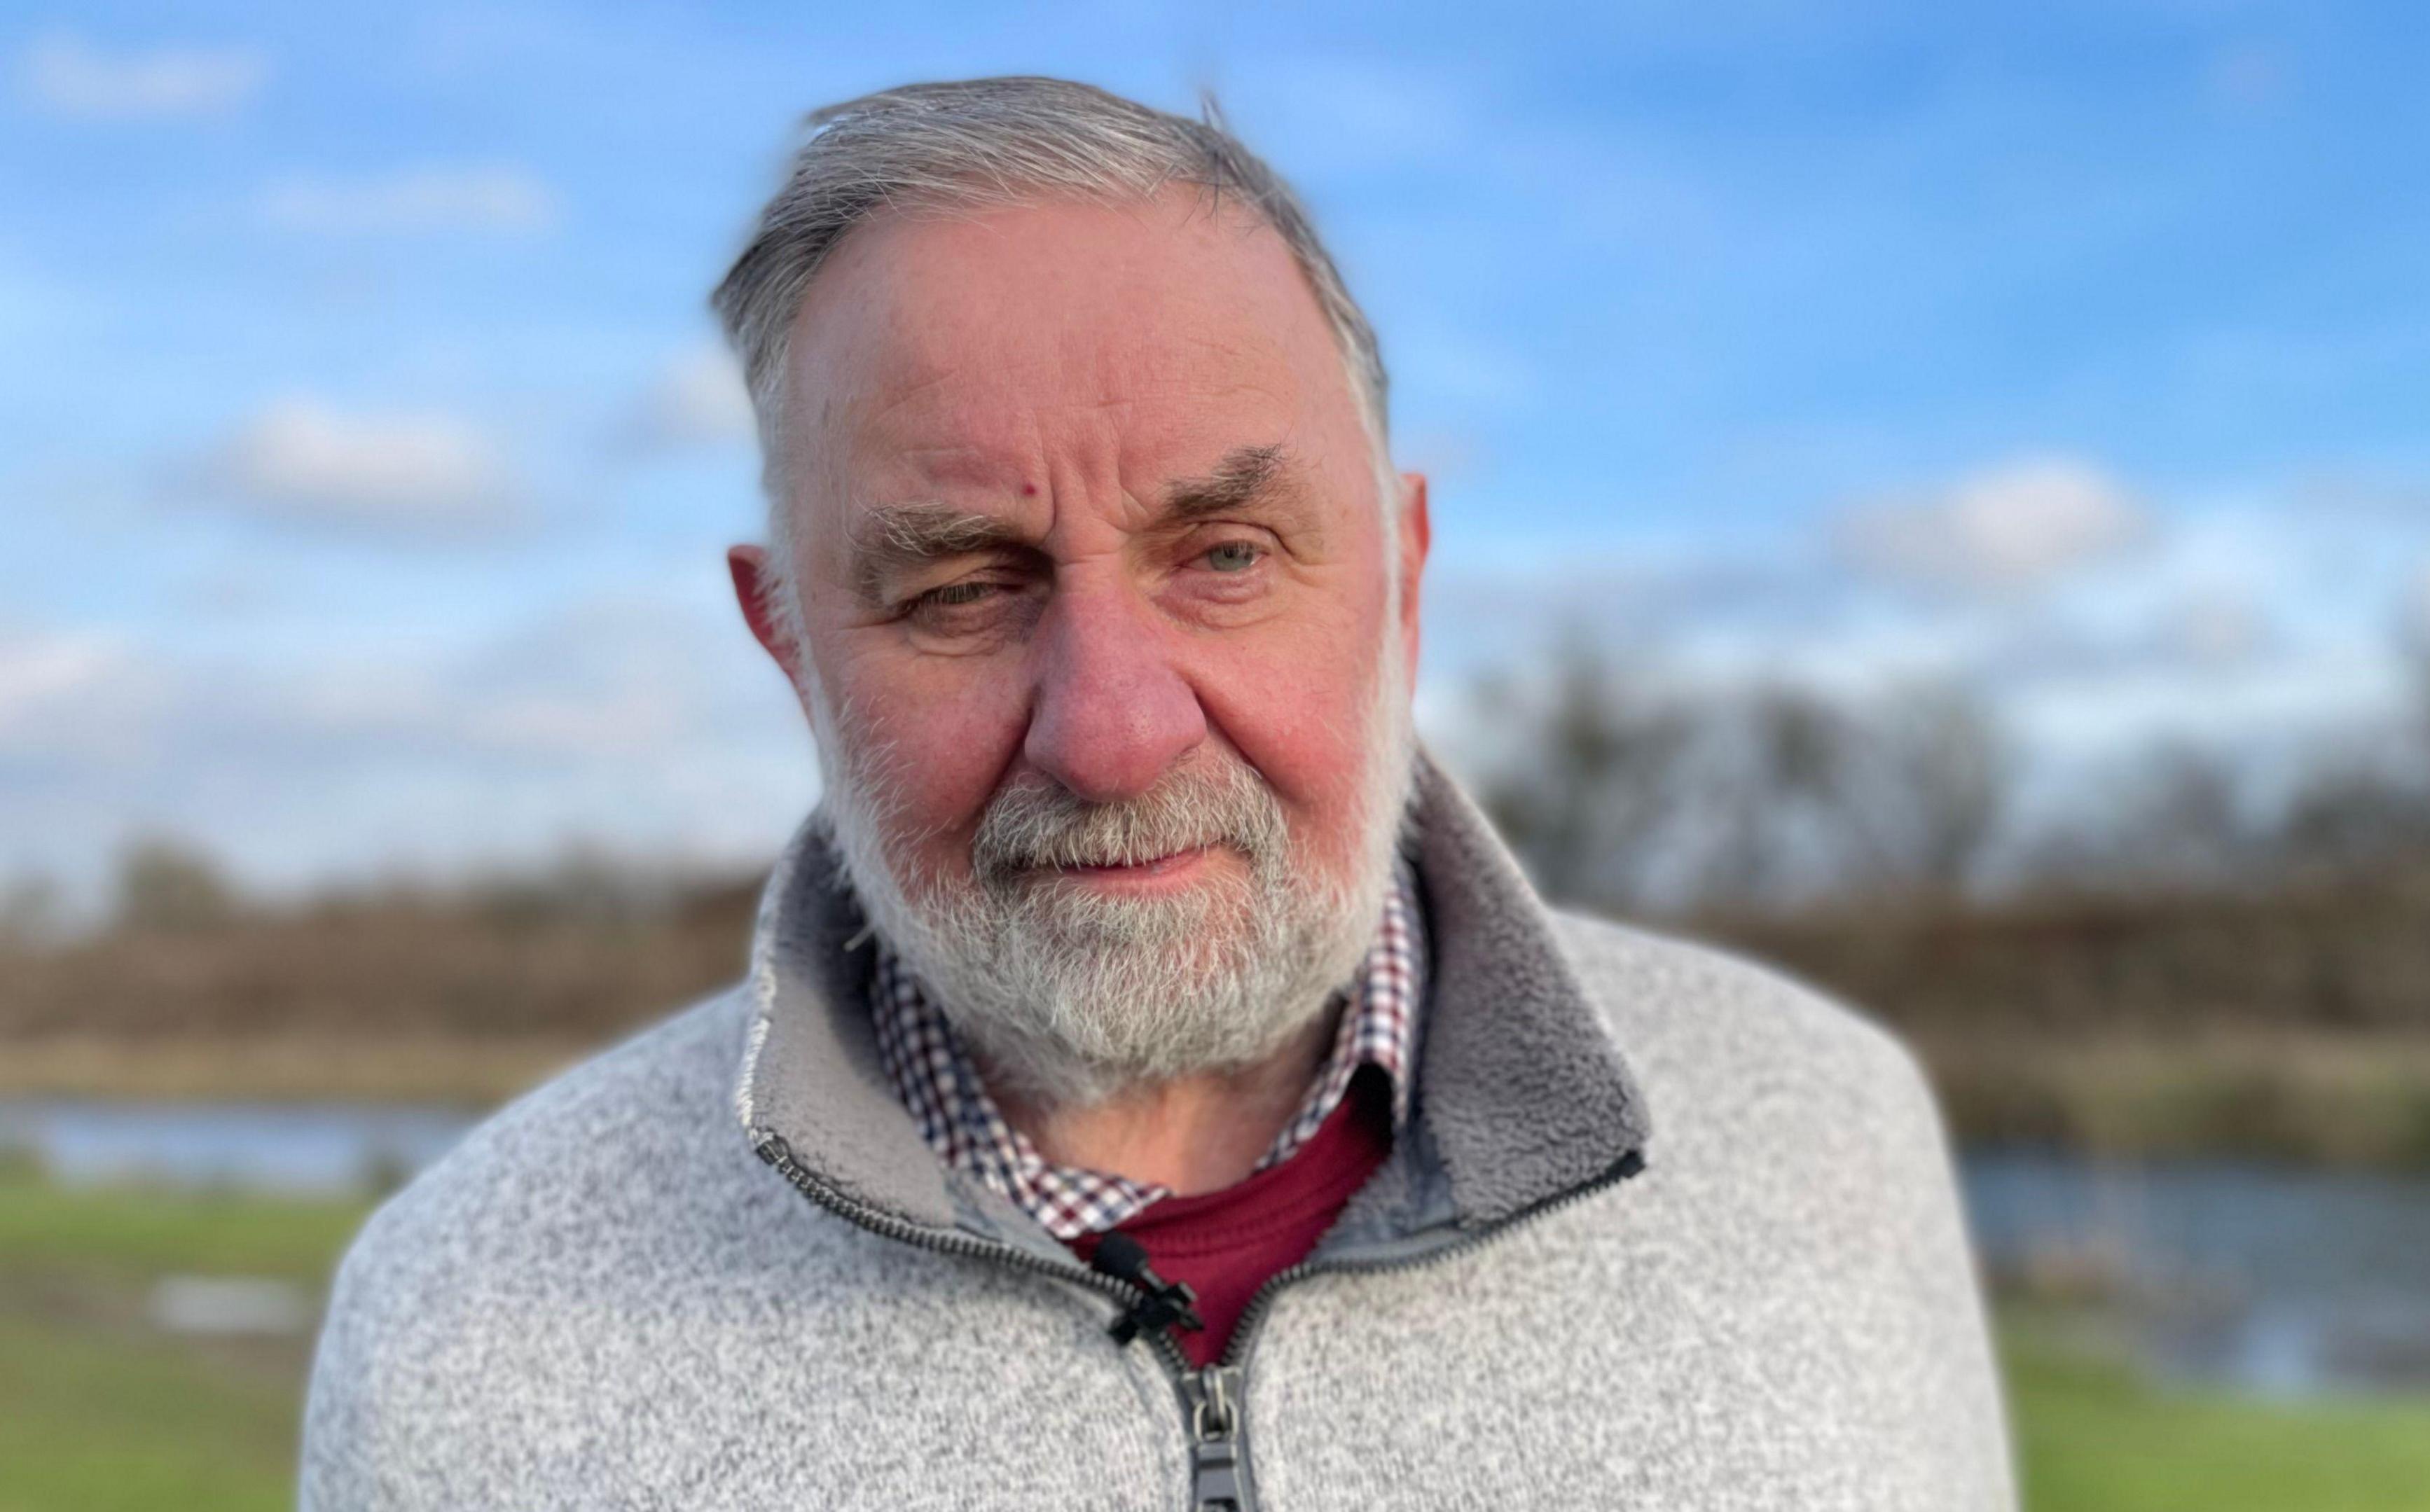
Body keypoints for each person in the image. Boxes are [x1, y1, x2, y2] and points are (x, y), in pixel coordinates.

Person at [299, 76, 2013, 1511]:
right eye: (962, 588)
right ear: (790, 646)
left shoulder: (1826, 1141)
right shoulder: (469, 1329)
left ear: (1402, 573)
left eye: (1230, 553)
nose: (1113, 735)